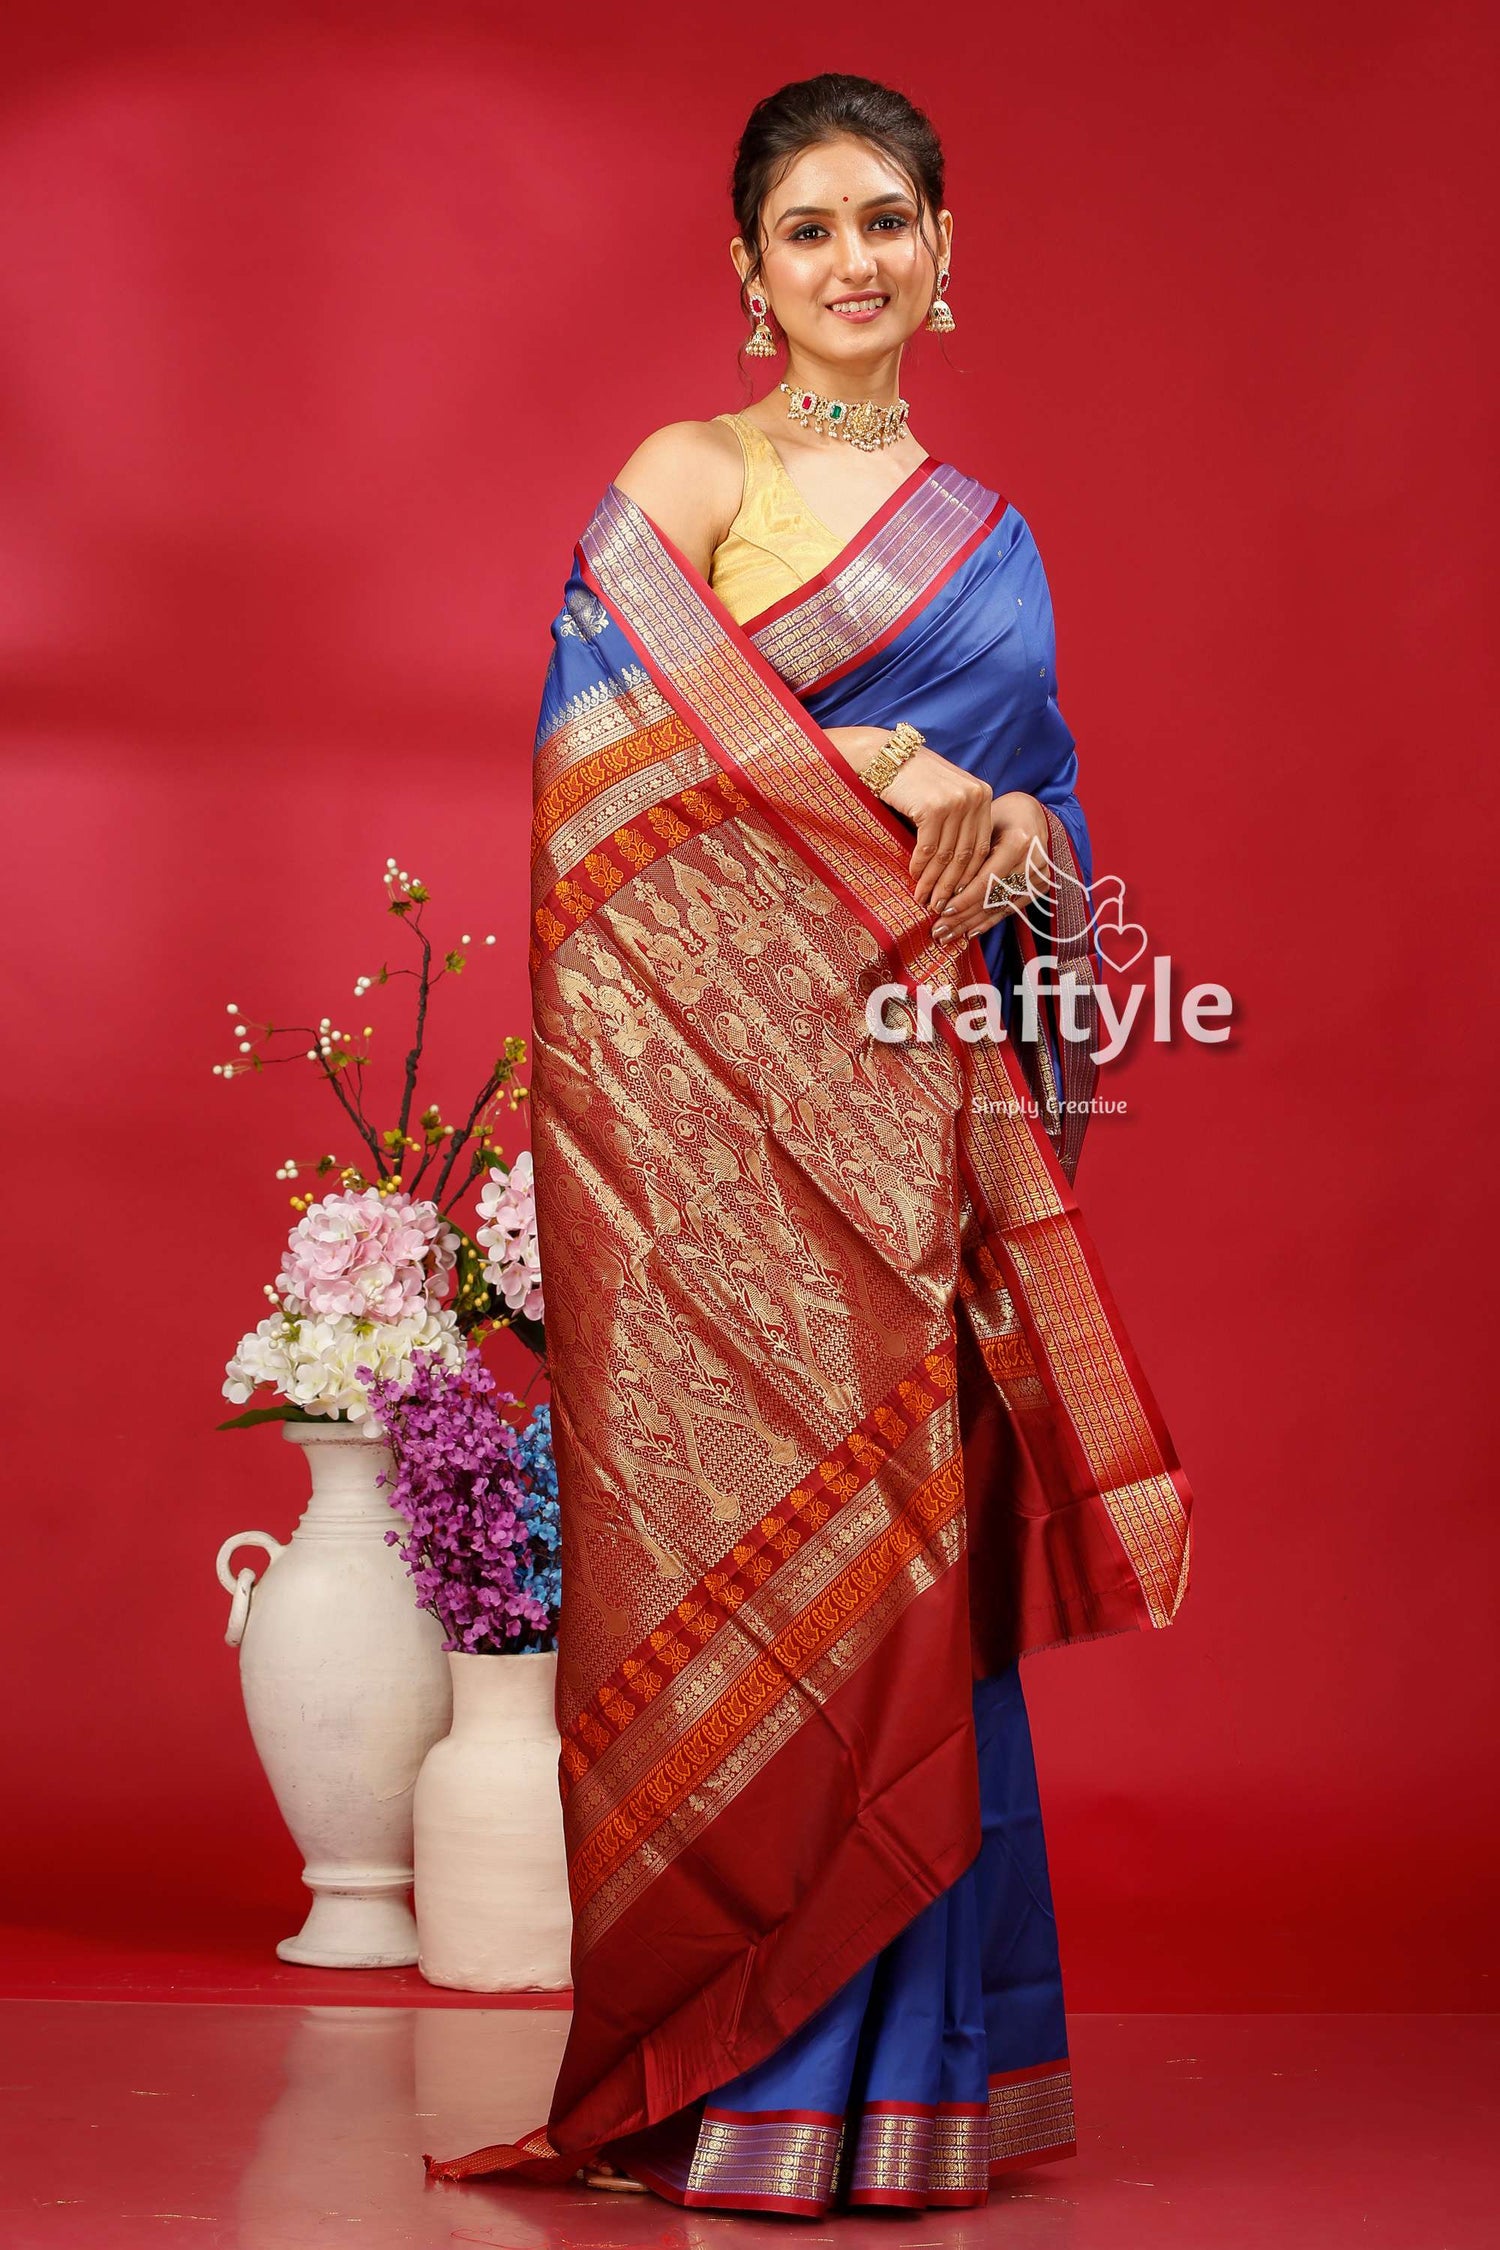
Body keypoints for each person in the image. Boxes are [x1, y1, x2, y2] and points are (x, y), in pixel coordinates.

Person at [425, 70, 1192, 2218]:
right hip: (731, 1158)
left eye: (889, 221)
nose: (855, 261)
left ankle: (897, 2088)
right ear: (744, 270)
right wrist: (848, 754)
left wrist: (1019, 821)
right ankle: (725, 2062)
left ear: (950, 252)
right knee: (762, 1588)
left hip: (912, 1132)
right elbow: (605, 754)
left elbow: (1048, 841)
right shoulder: (688, 470)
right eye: (810, 229)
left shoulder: (994, 538)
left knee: (912, 1584)